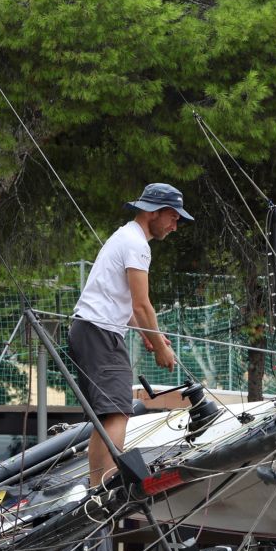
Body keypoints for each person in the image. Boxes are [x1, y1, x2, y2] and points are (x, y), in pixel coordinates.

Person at [67, 182, 187, 485]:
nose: (175, 226)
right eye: (173, 217)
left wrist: (147, 335)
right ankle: (105, 487)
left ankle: (97, 487)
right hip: (100, 333)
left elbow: (126, 304)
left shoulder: (125, 236)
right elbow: (142, 304)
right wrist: (160, 346)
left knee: (108, 415)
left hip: (91, 330)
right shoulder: (137, 244)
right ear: (154, 213)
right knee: (118, 412)